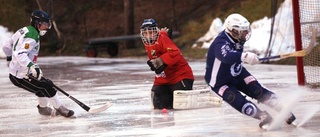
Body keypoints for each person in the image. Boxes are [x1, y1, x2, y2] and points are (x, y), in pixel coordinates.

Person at [204, 13, 296, 128]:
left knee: (257, 90)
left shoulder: (237, 38)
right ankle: (263, 116)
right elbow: (225, 55)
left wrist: (246, 57)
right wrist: (244, 56)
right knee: (237, 100)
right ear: (234, 31)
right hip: (220, 82)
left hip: (236, 72)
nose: (246, 33)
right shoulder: (220, 42)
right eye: (244, 31)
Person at [2, 10, 74, 117]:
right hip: (21, 75)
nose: (46, 26)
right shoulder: (32, 36)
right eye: (44, 23)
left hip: (20, 71)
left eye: (47, 24)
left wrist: (9, 57)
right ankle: (61, 109)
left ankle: (43, 109)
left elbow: (6, 46)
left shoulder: (24, 30)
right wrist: (31, 65)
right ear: (36, 23)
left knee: (41, 87)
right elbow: (20, 53)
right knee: (47, 86)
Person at [140, 18, 194, 109]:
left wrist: (160, 61)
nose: (149, 36)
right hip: (164, 78)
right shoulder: (147, 44)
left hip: (180, 76)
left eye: (151, 32)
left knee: (180, 104)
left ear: (156, 31)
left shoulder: (162, 38)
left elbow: (176, 53)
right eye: (146, 33)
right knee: (158, 104)